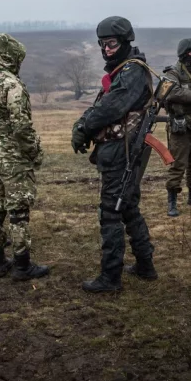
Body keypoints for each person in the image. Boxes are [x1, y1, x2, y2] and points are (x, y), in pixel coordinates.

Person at [73, 16, 158, 292]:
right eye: (102, 44)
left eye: (111, 43)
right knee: (129, 206)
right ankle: (145, 265)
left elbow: (111, 108)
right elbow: (104, 103)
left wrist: (84, 127)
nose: (106, 49)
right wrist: (83, 124)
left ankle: (111, 277)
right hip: (119, 150)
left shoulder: (132, 71)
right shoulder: (123, 69)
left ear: (125, 41)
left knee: (111, 213)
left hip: (122, 152)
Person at [0, 33, 49, 280]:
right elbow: (22, 126)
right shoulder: (12, 85)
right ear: (12, 57)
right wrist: (33, 151)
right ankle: (23, 266)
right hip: (14, 160)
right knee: (18, 213)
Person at [163, 38, 191, 217]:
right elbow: (169, 92)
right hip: (180, 125)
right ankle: (172, 200)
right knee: (178, 163)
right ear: (183, 54)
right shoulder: (172, 73)